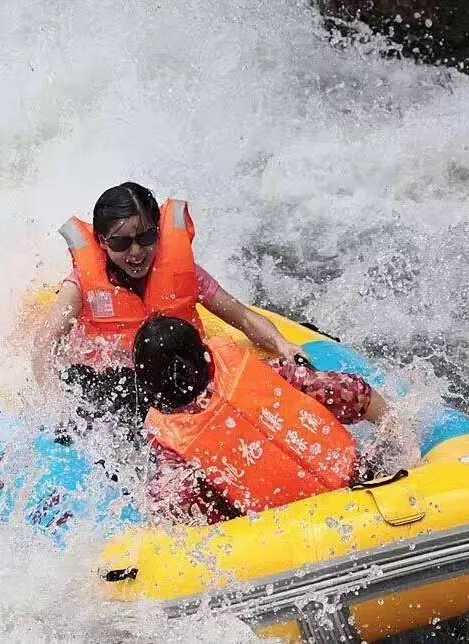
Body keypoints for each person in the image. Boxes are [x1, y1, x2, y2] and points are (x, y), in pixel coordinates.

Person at [31, 182, 306, 426]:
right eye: (121, 243)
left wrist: (282, 344)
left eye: (146, 238)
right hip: (114, 384)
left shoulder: (183, 272)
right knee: (126, 393)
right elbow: (46, 342)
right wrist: (56, 408)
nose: (136, 252)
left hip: (174, 380)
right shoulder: (81, 283)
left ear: (159, 232)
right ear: (103, 242)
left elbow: (243, 317)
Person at [132, 316, 389, 525]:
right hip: (361, 482)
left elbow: (167, 506)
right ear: (206, 355)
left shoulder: (171, 443)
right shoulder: (263, 373)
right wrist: (400, 434)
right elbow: (352, 392)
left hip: (282, 531)